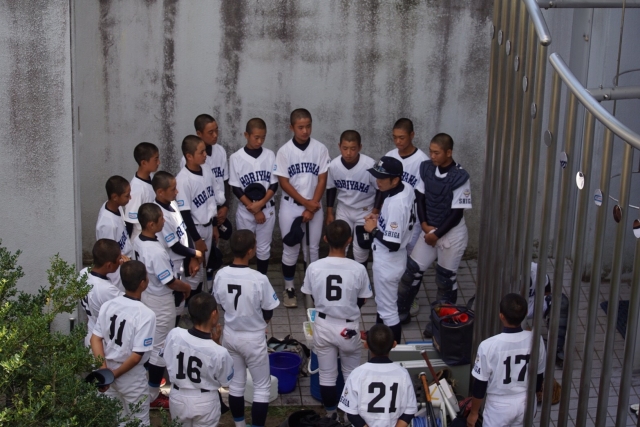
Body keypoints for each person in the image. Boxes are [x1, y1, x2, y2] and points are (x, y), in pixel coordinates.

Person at [397, 133, 471, 329]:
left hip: (451, 234)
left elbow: (456, 213)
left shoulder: (460, 177)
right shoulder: (427, 168)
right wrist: (424, 225)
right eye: (430, 151)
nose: (432, 156)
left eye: (437, 153)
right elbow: (420, 198)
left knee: (445, 279)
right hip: (429, 229)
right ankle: (401, 313)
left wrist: (436, 235)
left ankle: (440, 324)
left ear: (449, 152)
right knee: (412, 272)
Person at [301, 220, 372, 419]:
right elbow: (363, 299)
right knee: (351, 374)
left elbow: (312, 295)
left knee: (326, 375)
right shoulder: (358, 269)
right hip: (348, 327)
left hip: (324, 324)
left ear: (325, 239)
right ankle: (350, 416)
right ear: (349, 240)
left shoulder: (314, 267)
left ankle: (331, 415)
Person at [212, 230, 280, 427]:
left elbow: (220, 304)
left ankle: (240, 425)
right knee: (261, 387)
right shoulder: (259, 278)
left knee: (236, 385)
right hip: (253, 338)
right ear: (251, 251)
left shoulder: (221, 274)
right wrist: (261, 322)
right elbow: (268, 310)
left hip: (231, 334)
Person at [133, 203, 191, 408]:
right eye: (160, 219)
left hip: (148, 297)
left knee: (151, 343)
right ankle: (152, 395)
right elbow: (170, 282)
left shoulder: (138, 240)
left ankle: (150, 382)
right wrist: (186, 287)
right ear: (151, 224)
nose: (164, 220)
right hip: (160, 302)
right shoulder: (155, 251)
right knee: (159, 349)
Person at [274, 108, 331, 307]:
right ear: (291, 127)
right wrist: (306, 204)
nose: (305, 131)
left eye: (308, 126)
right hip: (291, 206)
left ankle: (311, 287)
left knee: (312, 249)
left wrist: (312, 206)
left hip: (314, 205)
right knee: (290, 248)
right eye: (300, 127)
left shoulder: (320, 149)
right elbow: (283, 182)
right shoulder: (284, 151)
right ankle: (289, 288)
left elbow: (322, 179)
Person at [90, 260, 156, 426]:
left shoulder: (108, 305)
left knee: (114, 421)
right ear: (142, 283)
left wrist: (104, 371)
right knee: (138, 422)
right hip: (130, 375)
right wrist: (114, 374)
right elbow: (136, 356)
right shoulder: (146, 314)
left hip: (108, 368)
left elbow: (95, 338)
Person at [468, 293, 546, 427]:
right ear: (526, 313)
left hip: (498, 406)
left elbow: (480, 384)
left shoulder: (487, 346)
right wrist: (537, 393)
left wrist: (474, 413)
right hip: (526, 400)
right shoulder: (536, 340)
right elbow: (539, 374)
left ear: (501, 316)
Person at [364, 156, 416, 345]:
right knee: (383, 305)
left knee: (389, 312)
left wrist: (373, 229)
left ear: (395, 180)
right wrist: (378, 220)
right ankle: (378, 340)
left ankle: (391, 352)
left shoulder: (396, 203)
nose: (378, 181)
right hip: (394, 258)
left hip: (389, 260)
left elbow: (393, 243)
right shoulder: (406, 188)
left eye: (382, 178)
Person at [162, 293, 235, 427]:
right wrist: (217, 344)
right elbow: (225, 381)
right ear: (214, 314)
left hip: (178, 397)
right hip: (205, 401)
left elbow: (165, 357)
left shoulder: (175, 334)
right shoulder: (219, 351)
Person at [382, 119, 428, 317]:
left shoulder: (422, 160)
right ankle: (394, 293)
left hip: (413, 220)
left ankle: (411, 296)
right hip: (392, 215)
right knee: (394, 255)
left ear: (412, 135)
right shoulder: (390, 156)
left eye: (402, 137)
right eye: (395, 137)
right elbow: (381, 186)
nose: (398, 142)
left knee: (412, 262)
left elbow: (423, 195)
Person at [338, 324, 417, 427]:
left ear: (366, 345)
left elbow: (351, 413)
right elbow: (409, 411)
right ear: (394, 344)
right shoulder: (403, 374)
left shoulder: (357, 374)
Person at [152, 171, 204, 324]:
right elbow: (174, 246)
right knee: (175, 307)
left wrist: (193, 257)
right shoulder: (159, 215)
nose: (177, 191)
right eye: (173, 189)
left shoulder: (172, 203)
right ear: (160, 192)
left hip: (183, 262)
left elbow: (184, 230)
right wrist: (196, 253)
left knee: (182, 302)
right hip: (172, 267)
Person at [228, 118, 279, 275]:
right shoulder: (236, 157)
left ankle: (262, 279)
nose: (259, 141)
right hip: (246, 210)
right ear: (246, 135)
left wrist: (260, 205)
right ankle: (245, 280)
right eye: (256, 137)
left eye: (263, 137)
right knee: (244, 247)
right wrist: (255, 210)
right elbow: (236, 188)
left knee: (263, 248)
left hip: (267, 208)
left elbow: (274, 184)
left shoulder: (270, 155)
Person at [325, 130, 378, 267]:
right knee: (339, 244)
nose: (348, 153)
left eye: (353, 149)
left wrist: (375, 212)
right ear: (339, 146)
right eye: (345, 148)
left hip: (365, 210)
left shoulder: (370, 165)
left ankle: (361, 276)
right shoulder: (334, 165)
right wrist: (329, 212)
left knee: (361, 249)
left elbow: (380, 190)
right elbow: (331, 188)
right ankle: (341, 274)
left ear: (360, 147)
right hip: (344, 209)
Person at [176, 135, 219, 291]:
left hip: (208, 226)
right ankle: (191, 302)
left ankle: (202, 299)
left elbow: (211, 201)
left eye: (205, 151)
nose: (205, 154)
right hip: (194, 230)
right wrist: (196, 239)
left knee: (203, 270)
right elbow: (184, 214)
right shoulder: (183, 180)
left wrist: (214, 226)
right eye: (201, 152)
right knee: (193, 274)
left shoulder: (206, 169)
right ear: (189, 156)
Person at [80, 239, 123, 347]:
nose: (121, 261)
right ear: (109, 265)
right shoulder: (106, 290)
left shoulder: (83, 273)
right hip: (104, 342)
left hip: (90, 332)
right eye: (119, 259)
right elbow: (131, 301)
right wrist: (129, 270)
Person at [95, 175, 133, 289]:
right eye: (127, 195)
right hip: (116, 276)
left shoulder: (117, 207)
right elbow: (108, 255)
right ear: (115, 197)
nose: (130, 197)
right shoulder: (108, 225)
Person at [528, 261, 568, 364]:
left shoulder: (536, 270)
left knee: (560, 302)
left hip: (530, 304)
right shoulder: (499, 270)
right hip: (505, 307)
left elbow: (546, 293)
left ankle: (555, 349)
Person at [124, 142, 160, 241]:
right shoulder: (136, 189)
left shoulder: (151, 176)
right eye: (156, 159)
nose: (159, 162)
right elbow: (130, 223)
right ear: (144, 163)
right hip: (142, 241)